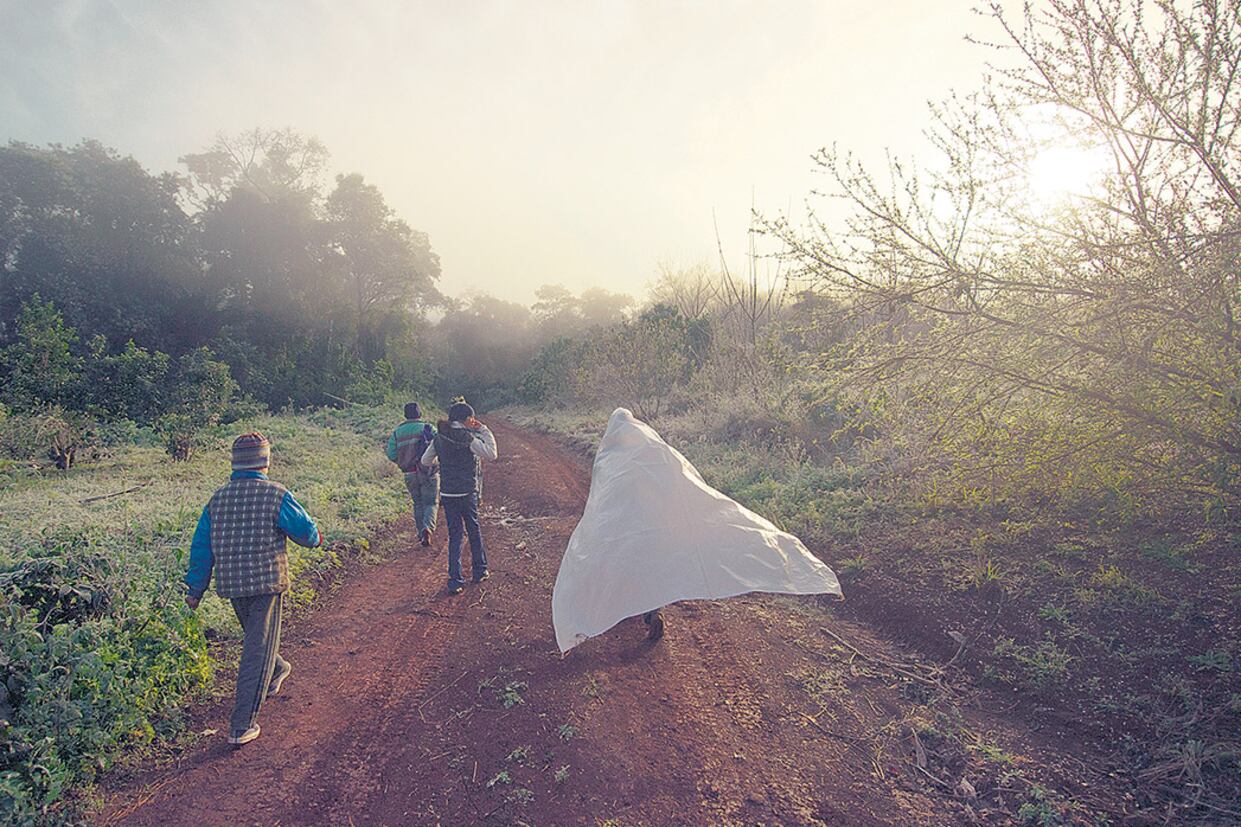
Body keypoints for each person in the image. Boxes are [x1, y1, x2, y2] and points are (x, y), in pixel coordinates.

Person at [184, 432, 322, 747]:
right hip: (267, 584)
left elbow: (201, 546)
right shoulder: (276, 494)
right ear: (265, 461)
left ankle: (277, 670)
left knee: (255, 639)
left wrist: (195, 588)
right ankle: (242, 724)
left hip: (233, 585)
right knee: (255, 649)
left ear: (235, 463)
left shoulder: (217, 498)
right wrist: (315, 540)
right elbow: (305, 531)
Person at [420, 400, 497, 594]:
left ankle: (455, 580)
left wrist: (443, 463)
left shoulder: (439, 438)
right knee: (473, 530)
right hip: (467, 491)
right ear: (467, 419)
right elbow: (491, 454)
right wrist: (484, 429)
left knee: (455, 535)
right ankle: (479, 571)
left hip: (448, 492)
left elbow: (425, 460)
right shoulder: (467, 437)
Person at [386, 401, 439, 547]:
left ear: (405, 415)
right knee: (431, 502)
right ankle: (428, 528)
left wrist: (402, 461)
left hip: (409, 473)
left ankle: (421, 531)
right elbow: (439, 445)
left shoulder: (397, 433)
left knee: (418, 503)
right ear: (419, 414)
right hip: (428, 472)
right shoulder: (428, 428)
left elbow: (391, 454)